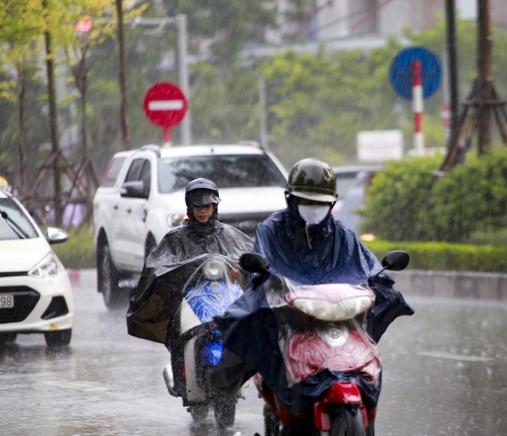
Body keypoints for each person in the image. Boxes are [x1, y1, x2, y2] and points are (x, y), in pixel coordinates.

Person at [216, 158, 414, 430]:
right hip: (291, 315)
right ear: (291, 200)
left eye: (320, 204)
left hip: (335, 316)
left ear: (331, 204)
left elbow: (368, 267)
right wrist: (269, 285)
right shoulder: (272, 230)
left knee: (369, 359)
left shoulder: (342, 235)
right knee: (242, 323)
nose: (314, 209)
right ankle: (225, 389)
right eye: (307, 202)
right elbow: (261, 272)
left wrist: (380, 281)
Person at [126, 178, 253, 392]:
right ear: (190, 208)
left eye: (207, 206)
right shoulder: (175, 239)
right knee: (177, 330)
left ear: (214, 207)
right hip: (189, 302)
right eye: (198, 207)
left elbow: (251, 260)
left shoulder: (230, 236)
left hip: (225, 299)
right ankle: (181, 378)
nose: (202, 211)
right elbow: (158, 268)